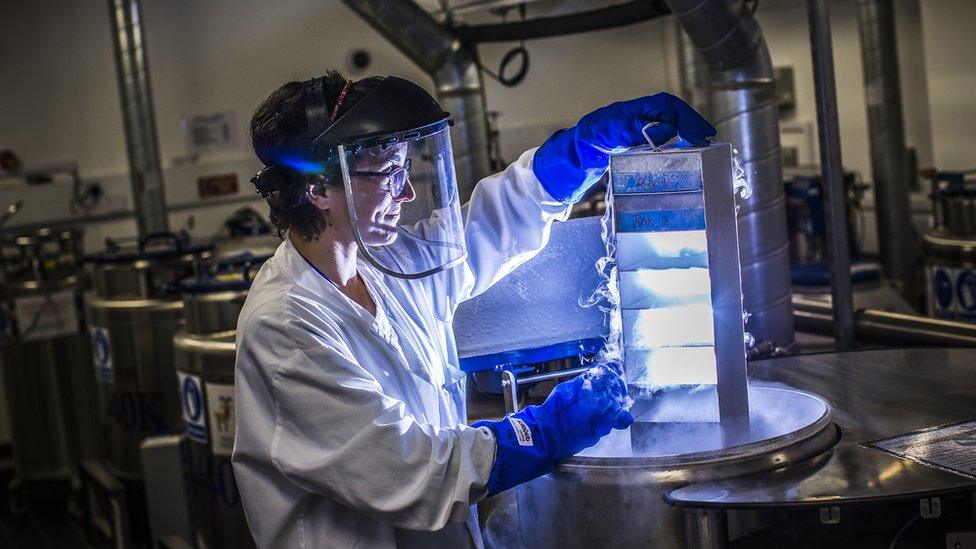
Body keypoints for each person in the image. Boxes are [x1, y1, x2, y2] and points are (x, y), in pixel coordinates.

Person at [232, 70, 716, 548]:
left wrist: (584, 147)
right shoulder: (287, 326)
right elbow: (413, 471)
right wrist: (543, 431)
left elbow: (492, 225)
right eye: (389, 175)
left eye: (407, 170)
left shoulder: (386, 263)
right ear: (318, 189)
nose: (407, 192)